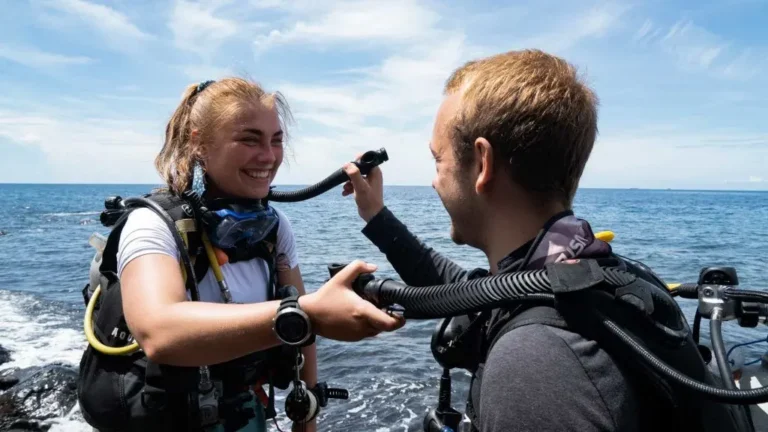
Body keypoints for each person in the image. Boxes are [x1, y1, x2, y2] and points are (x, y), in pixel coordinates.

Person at [341, 50, 751, 431]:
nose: (433, 180)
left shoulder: (535, 366)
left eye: (438, 159)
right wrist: (375, 215)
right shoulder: (599, 276)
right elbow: (460, 290)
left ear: (482, 163)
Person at [76, 77, 404, 432]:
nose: (269, 156)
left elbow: (303, 334)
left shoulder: (276, 229)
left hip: (244, 411)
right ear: (199, 143)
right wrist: (307, 313)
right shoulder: (152, 224)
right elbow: (159, 332)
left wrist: (306, 419)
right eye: (250, 139)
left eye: (276, 140)